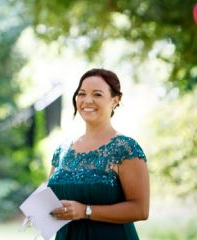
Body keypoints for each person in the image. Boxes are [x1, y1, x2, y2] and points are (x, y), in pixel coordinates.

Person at [47, 68, 149, 239]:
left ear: (115, 101)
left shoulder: (125, 148)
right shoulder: (62, 151)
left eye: (97, 94)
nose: (87, 100)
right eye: (81, 93)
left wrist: (86, 211)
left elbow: (141, 209)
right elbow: (52, 200)